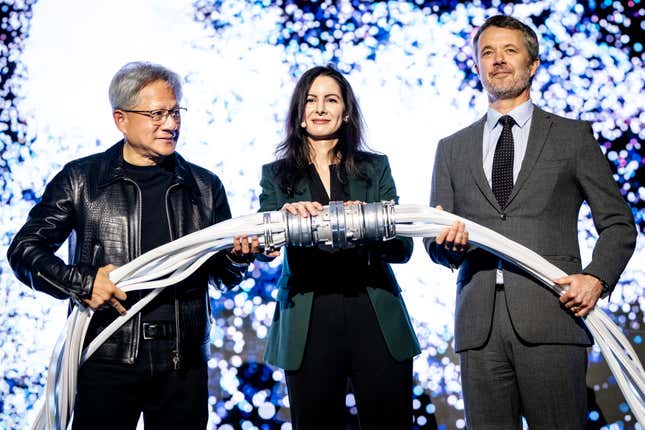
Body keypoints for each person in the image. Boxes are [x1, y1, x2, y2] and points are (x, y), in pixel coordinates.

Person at [7, 61, 257, 429]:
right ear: (121, 119)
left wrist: (239, 257)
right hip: (106, 357)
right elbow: (25, 251)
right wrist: (85, 282)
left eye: (175, 112)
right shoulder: (81, 180)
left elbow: (222, 277)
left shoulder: (204, 186)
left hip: (182, 365)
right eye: (156, 114)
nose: (170, 124)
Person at [424, 15, 636, 429]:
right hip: (479, 330)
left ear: (533, 64)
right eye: (487, 52)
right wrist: (444, 245)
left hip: (552, 319)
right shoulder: (451, 148)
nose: (497, 60)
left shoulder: (571, 137)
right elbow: (435, 239)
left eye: (509, 50)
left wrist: (595, 279)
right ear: (478, 66)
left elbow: (618, 224)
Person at [258, 65, 421, 429]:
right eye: (311, 100)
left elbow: (403, 249)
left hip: (373, 310)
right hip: (308, 314)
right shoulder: (277, 174)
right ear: (299, 115)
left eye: (330, 100)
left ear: (346, 112)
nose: (320, 108)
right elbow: (262, 247)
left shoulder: (375, 168)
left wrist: (370, 221)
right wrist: (283, 220)